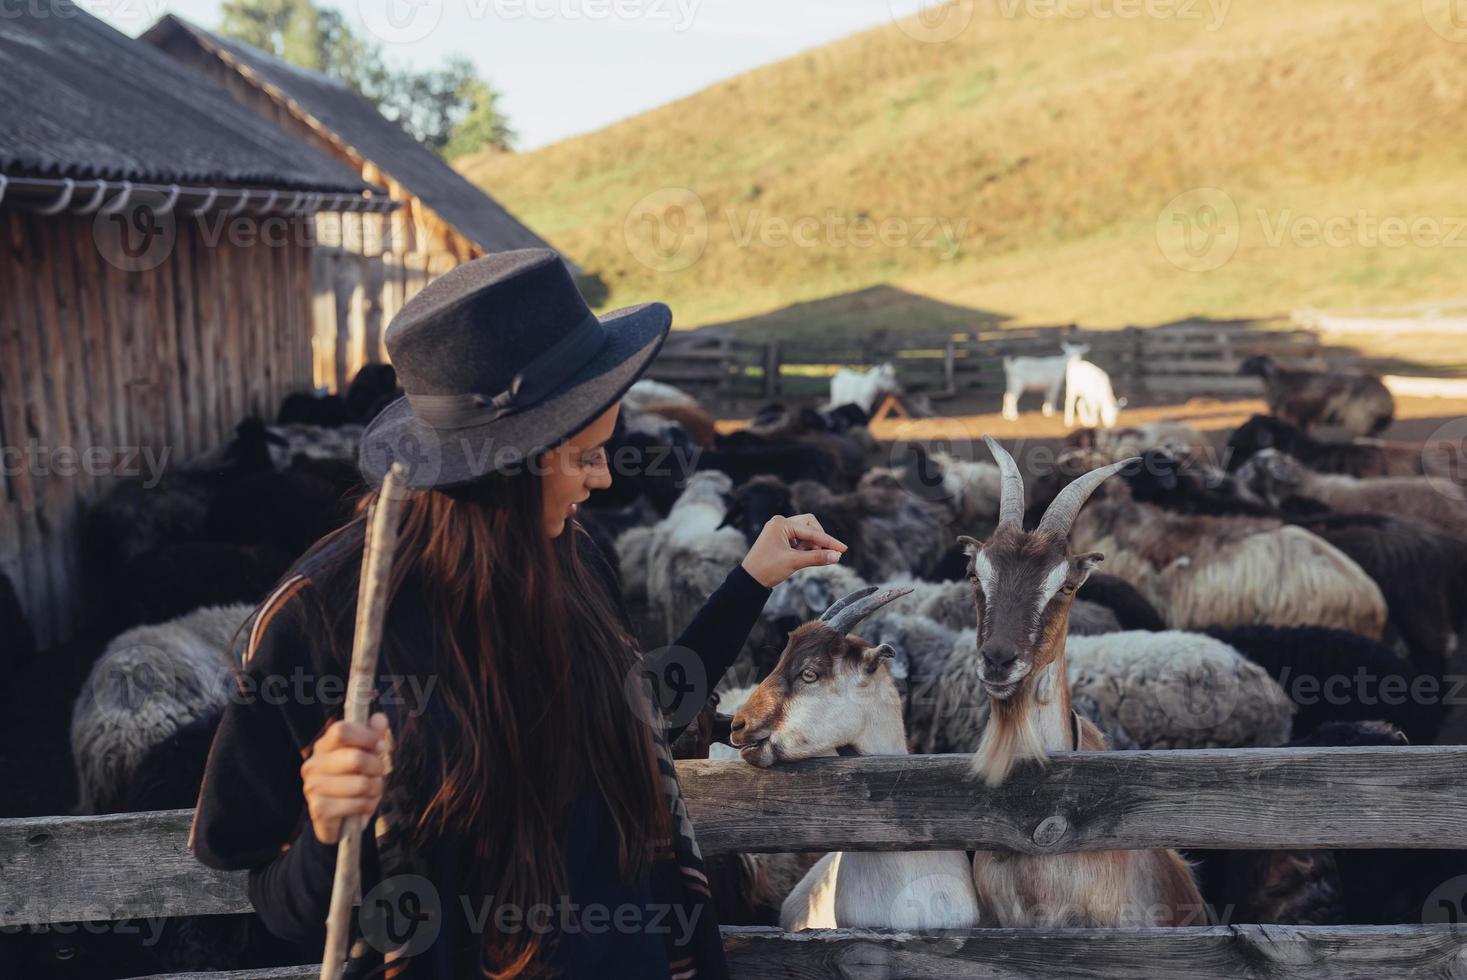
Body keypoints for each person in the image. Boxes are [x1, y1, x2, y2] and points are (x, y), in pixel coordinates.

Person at [191, 250, 847, 979]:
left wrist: (749, 580)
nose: (603, 479)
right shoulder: (327, 621)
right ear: (509, 465)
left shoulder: (571, 555)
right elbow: (275, 902)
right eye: (587, 456)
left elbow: (643, 711)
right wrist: (325, 831)